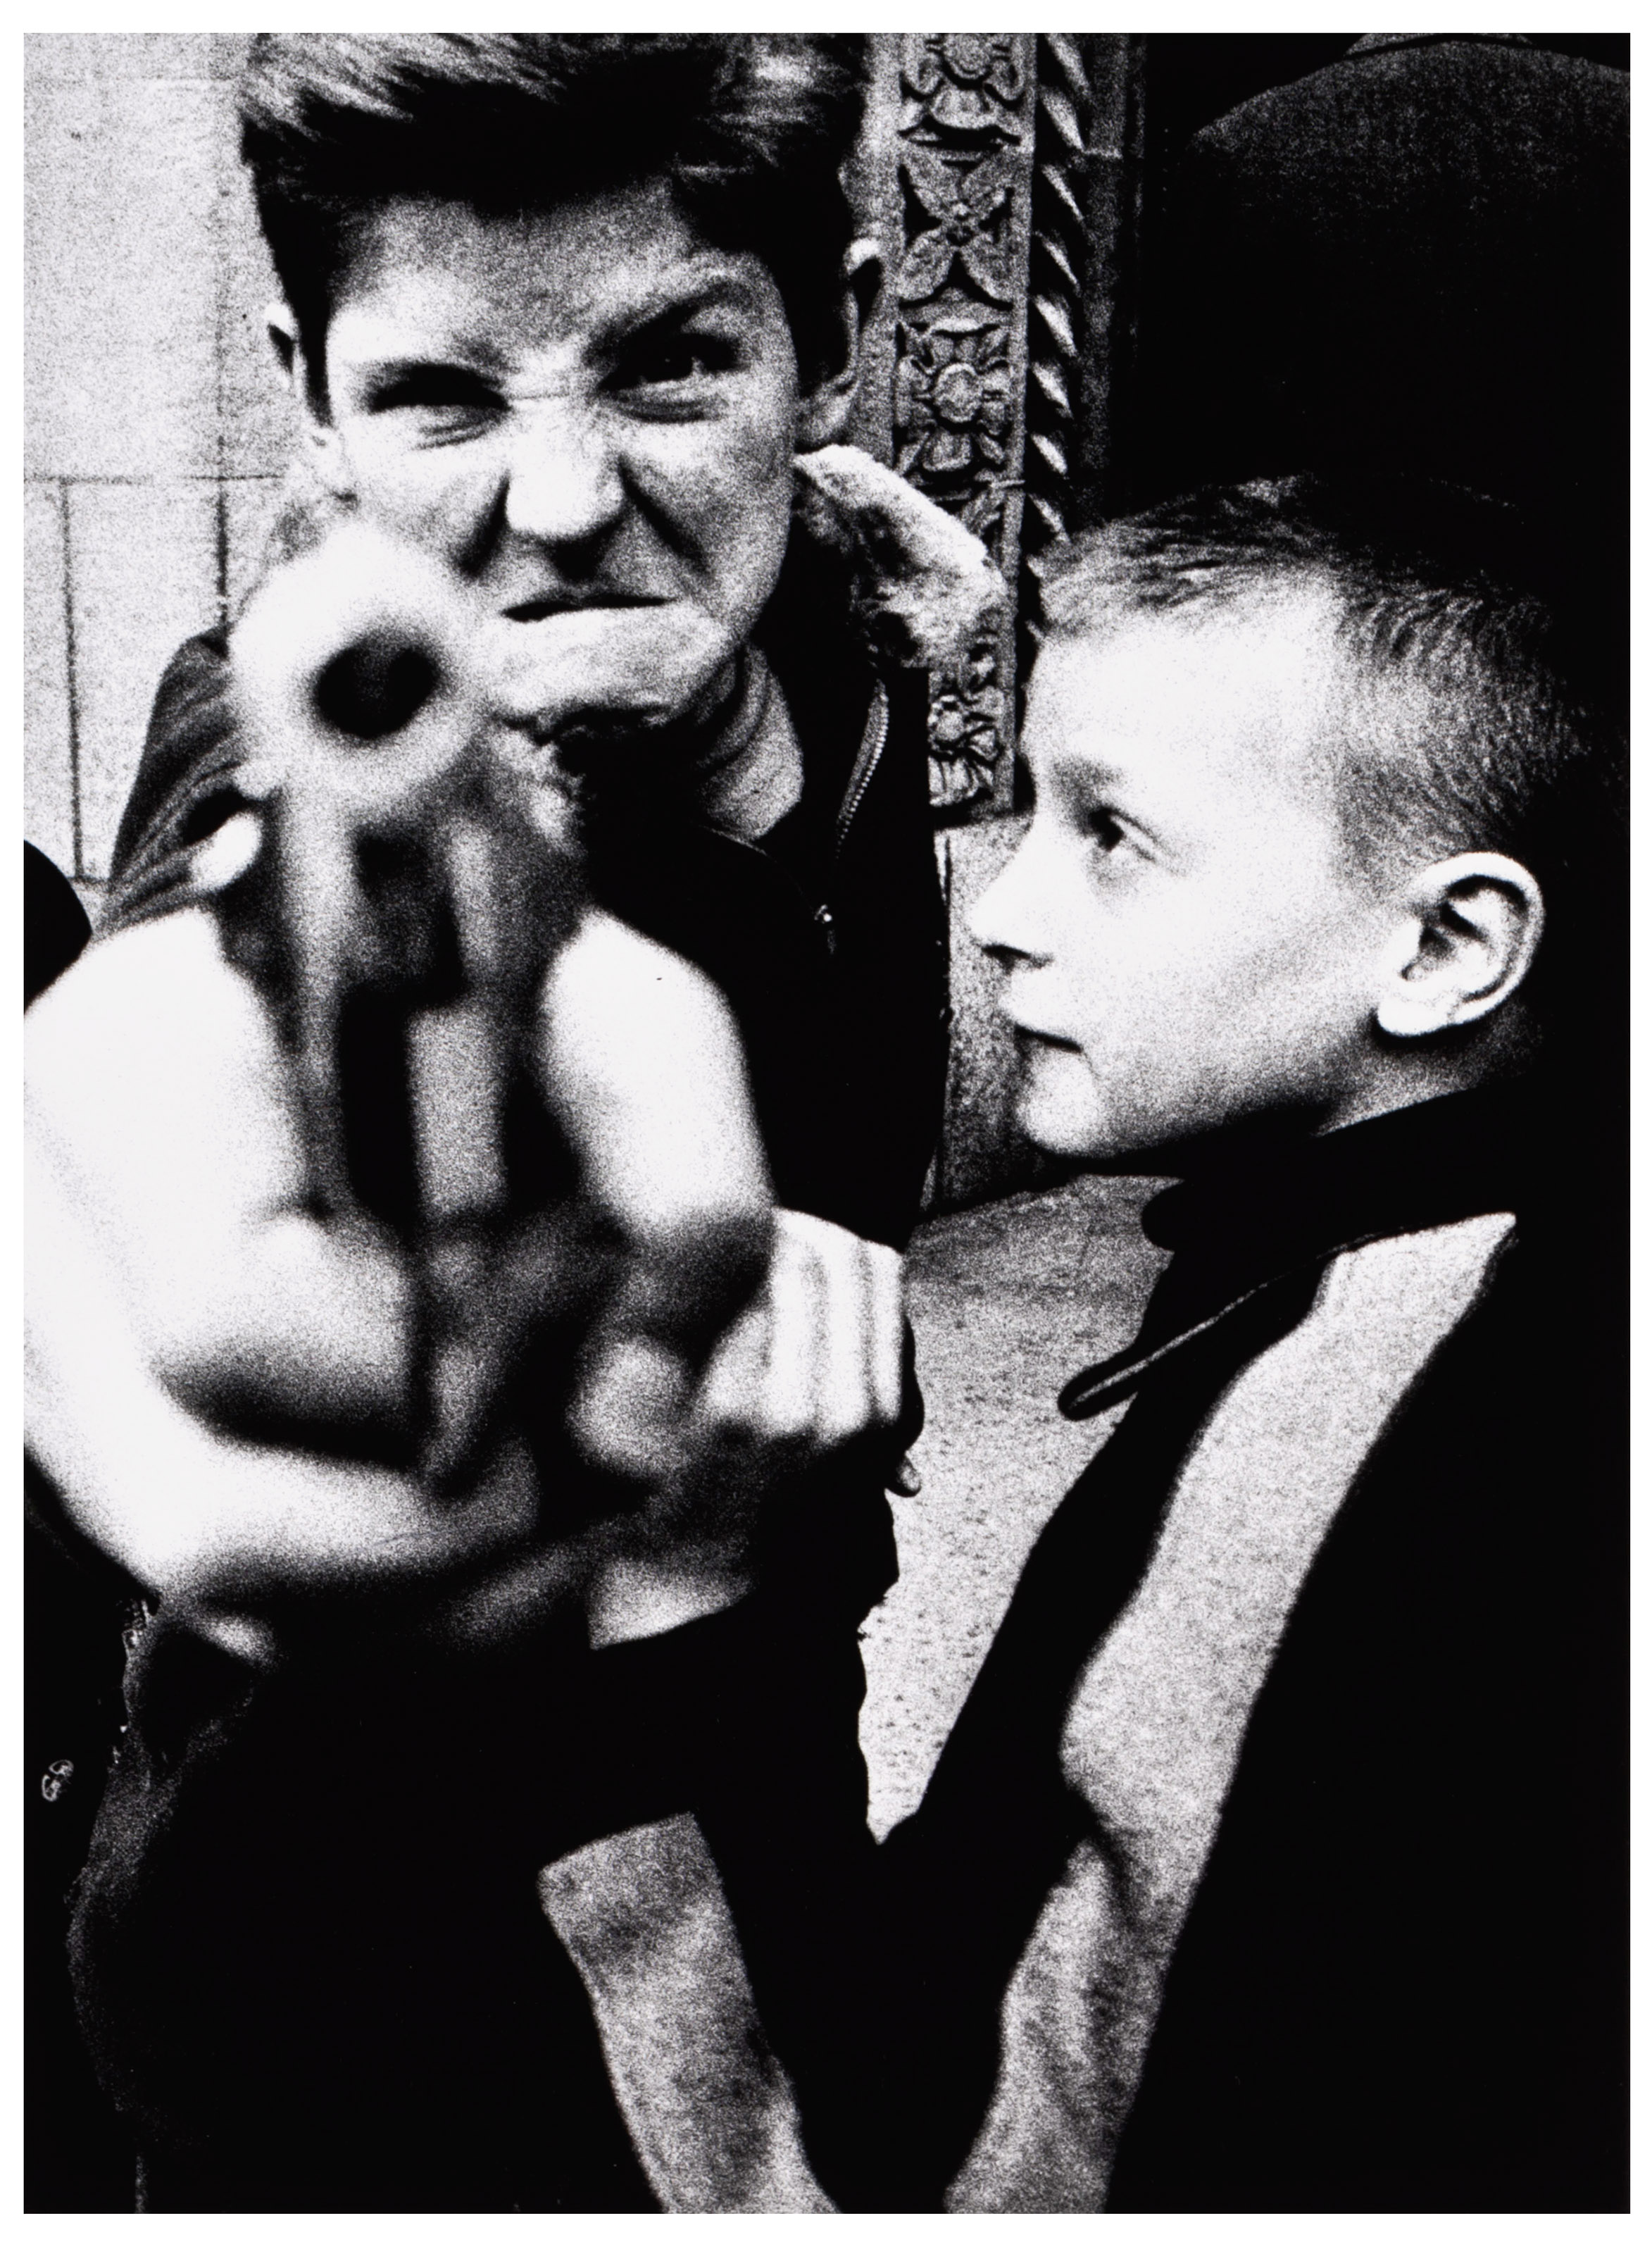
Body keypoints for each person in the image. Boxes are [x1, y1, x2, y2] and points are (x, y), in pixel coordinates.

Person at [25, 33, 999, 2212]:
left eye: (668, 370)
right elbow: (230, 949)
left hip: (768, 1705)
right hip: (375, 1933)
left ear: (833, 339)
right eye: (442, 401)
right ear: (307, 394)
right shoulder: (311, 759)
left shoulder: (840, 623)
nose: (558, 505)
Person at [537, 474, 1627, 2212]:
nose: (1002, 908)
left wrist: (674, 1600)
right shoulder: (1469, 1279)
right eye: (1028, 811)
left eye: (1111, 834)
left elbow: (935, 2189)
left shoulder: (1350, 1438)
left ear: (1444, 947)